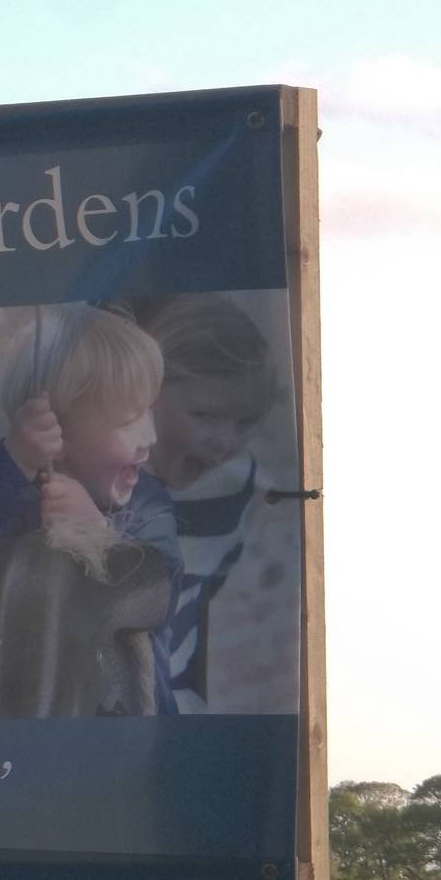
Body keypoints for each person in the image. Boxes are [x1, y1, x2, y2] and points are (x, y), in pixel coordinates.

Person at [0, 305, 181, 717]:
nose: (149, 437)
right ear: (57, 432)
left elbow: (162, 592)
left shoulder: (146, 500)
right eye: (129, 420)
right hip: (24, 709)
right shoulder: (13, 492)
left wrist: (96, 531)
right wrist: (13, 459)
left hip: (126, 719)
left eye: (149, 412)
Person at [130, 294, 276, 713]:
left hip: (177, 699)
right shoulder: (105, 477)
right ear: (146, 393)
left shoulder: (241, 485)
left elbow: (207, 599)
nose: (224, 440)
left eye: (244, 422)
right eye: (206, 416)